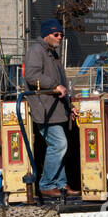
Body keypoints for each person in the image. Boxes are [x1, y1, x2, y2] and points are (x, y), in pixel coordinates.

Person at [22, 19, 77, 198]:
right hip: (44, 109)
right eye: (56, 34)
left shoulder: (53, 54)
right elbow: (31, 75)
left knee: (60, 146)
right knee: (59, 144)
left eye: (61, 34)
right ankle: (45, 184)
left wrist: (70, 106)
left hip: (57, 109)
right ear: (46, 35)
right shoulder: (36, 51)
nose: (60, 37)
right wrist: (55, 86)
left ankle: (61, 184)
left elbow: (62, 84)